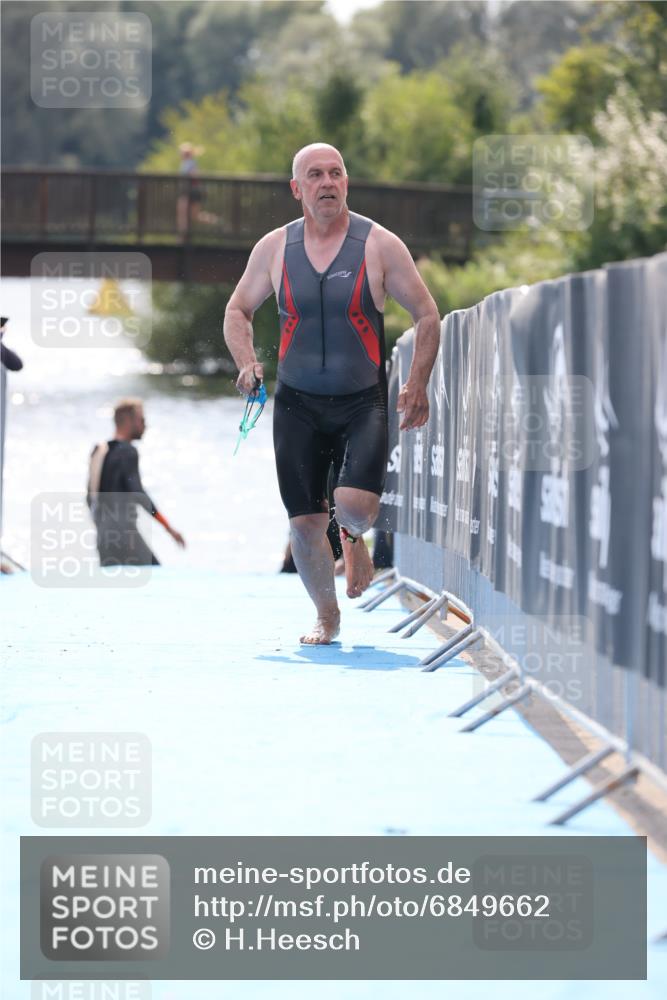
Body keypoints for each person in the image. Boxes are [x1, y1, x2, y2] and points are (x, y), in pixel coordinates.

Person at [224, 143, 440, 644]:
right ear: (297, 189)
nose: (327, 182)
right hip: (297, 403)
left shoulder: (379, 244)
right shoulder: (275, 248)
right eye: (315, 175)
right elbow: (238, 310)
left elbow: (427, 314)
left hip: (361, 400)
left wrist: (419, 381)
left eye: (336, 173)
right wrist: (246, 362)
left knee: (356, 505)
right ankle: (327, 615)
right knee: (302, 522)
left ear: (346, 183)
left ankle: (352, 532)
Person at [87, 398, 185, 566]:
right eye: (142, 420)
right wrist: (168, 528)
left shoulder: (99, 450)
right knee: (155, 576)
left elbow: (90, 498)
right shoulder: (128, 452)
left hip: (104, 537)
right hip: (126, 535)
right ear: (128, 421)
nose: (145, 425)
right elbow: (139, 494)